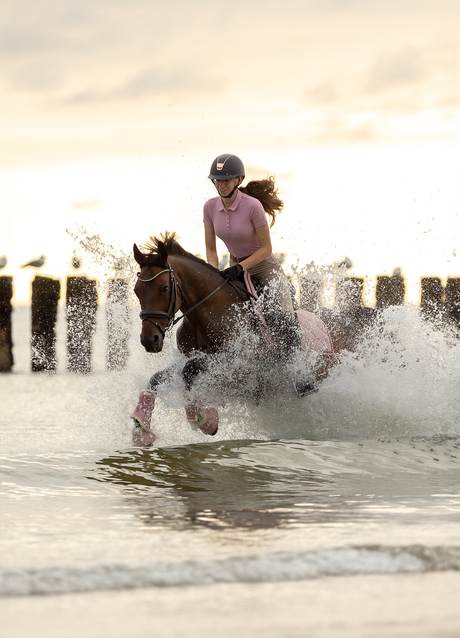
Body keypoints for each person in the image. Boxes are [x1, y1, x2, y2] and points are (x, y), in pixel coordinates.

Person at [203, 153, 302, 362]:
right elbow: (211, 249)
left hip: (264, 267)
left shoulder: (253, 205)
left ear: (238, 180)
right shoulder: (209, 207)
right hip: (233, 265)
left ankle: (298, 370)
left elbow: (266, 248)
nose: (222, 185)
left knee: (283, 314)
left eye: (227, 180)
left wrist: (241, 268)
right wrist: (213, 271)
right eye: (218, 181)